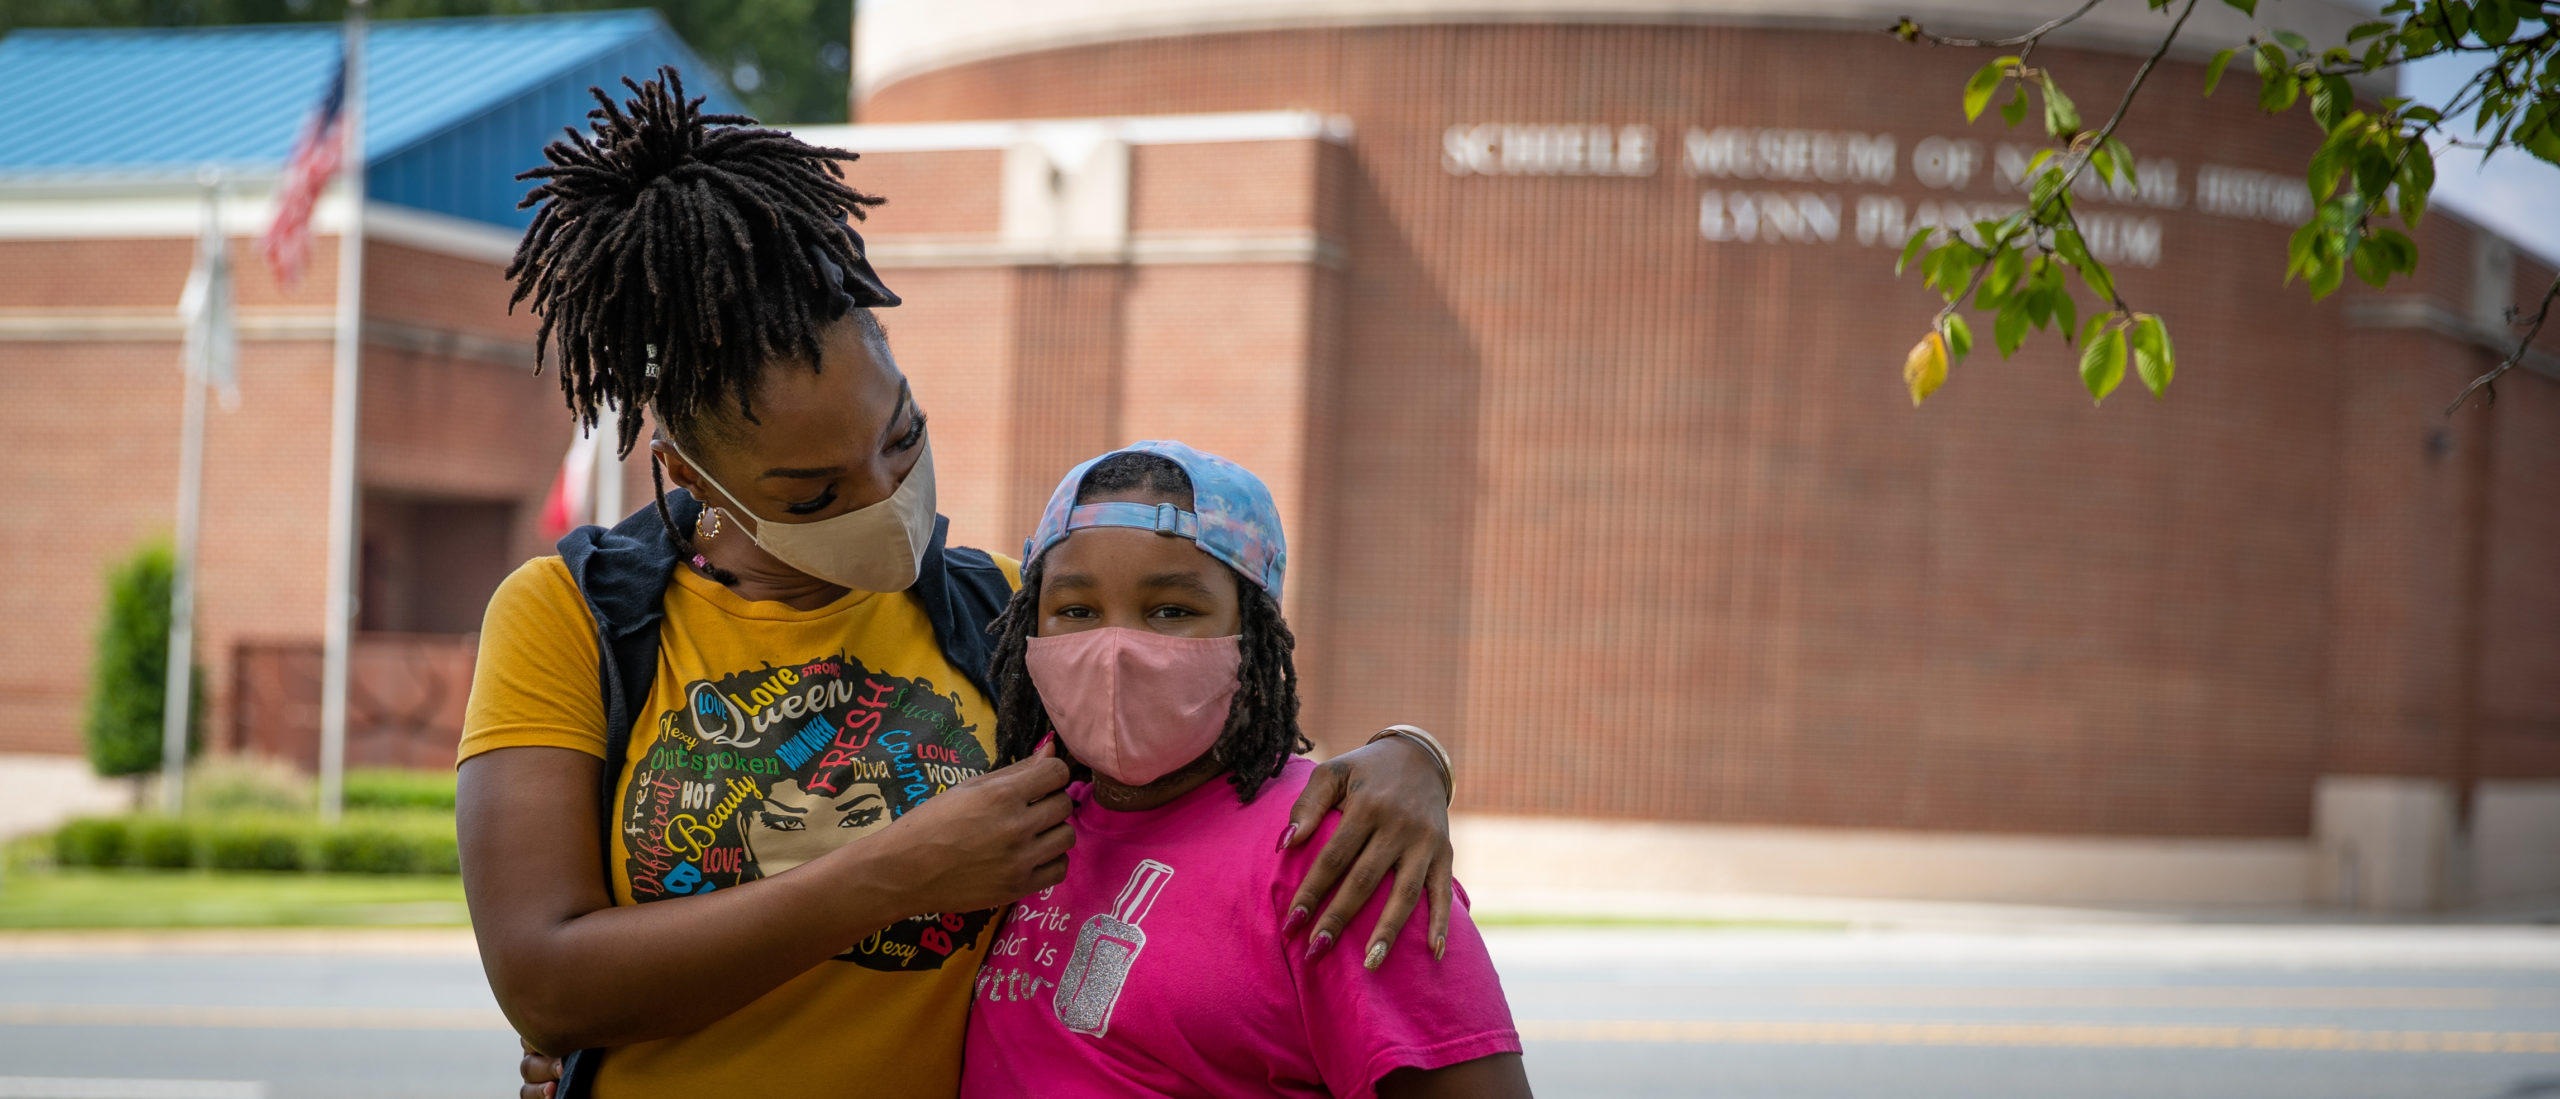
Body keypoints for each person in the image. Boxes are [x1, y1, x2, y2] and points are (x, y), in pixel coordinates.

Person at [461, 69, 1462, 1099]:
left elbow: (1229, 763)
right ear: (687, 473)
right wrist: (897, 870)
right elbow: (545, 978)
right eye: (812, 494)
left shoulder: (1006, 606)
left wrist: (1405, 757)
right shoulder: (574, 618)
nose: (886, 496)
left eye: (901, 438)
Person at [964, 441, 1529, 1099]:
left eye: (1171, 610)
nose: (1114, 649)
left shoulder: (1340, 849)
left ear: (1252, 630)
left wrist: (1418, 752)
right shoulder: (1009, 818)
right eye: (1077, 610)